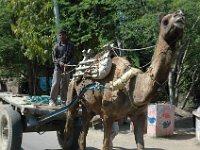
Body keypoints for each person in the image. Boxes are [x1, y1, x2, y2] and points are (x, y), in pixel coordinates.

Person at [49, 30, 76, 106]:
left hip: (67, 68)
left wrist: (69, 64)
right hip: (58, 68)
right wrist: (60, 63)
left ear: (66, 35)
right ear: (59, 36)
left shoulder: (71, 46)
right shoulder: (56, 46)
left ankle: (63, 101)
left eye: (63, 35)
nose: (62, 37)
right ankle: (52, 100)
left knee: (65, 84)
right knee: (55, 83)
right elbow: (54, 58)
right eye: (60, 35)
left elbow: (73, 57)